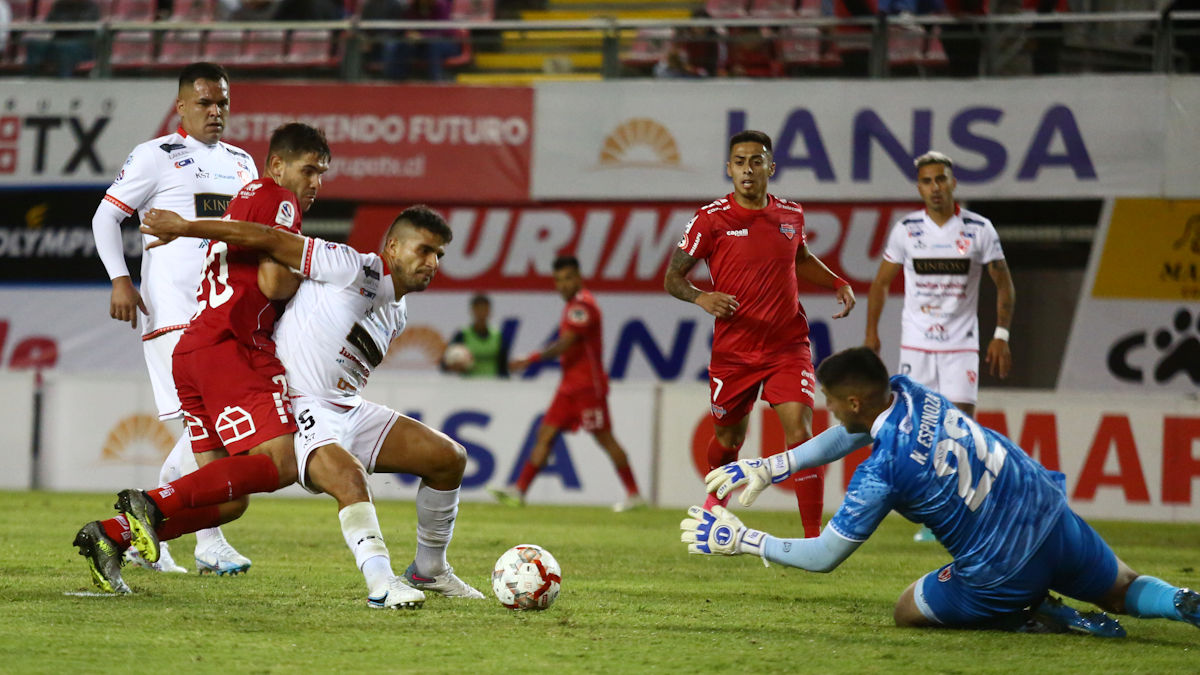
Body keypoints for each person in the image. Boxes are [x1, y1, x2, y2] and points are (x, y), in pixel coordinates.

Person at [682, 346, 1200, 637]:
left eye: (835, 402)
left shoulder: (883, 470)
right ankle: (1180, 601)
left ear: (857, 400)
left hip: (1004, 566)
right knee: (1125, 587)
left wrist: (742, 540)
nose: (830, 409)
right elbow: (855, 431)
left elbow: (823, 557)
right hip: (1047, 511)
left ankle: (1039, 616)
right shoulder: (914, 392)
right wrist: (774, 466)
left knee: (907, 608)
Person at [133, 205, 482, 607]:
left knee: (448, 457)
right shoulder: (351, 266)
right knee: (347, 479)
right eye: (423, 250)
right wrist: (186, 226)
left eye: (438, 255)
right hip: (297, 401)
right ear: (392, 247)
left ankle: (429, 569)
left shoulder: (397, 311)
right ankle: (382, 583)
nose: (432, 263)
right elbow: (269, 238)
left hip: (347, 407)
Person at [72, 122, 328, 595]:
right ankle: (150, 501)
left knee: (229, 500)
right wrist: (312, 277)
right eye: (308, 169)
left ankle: (112, 536)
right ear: (277, 166)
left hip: (194, 349)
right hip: (233, 349)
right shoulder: (280, 199)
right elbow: (273, 283)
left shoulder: (246, 193)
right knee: (282, 462)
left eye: (322, 173)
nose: (315, 182)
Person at [89, 62, 257, 576]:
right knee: (215, 431)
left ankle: (145, 534)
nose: (215, 111)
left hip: (224, 315)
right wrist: (120, 278)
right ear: (181, 105)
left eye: (222, 102)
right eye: (204, 102)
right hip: (174, 315)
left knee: (215, 433)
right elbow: (106, 216)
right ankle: (200, 537)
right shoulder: (155, 155)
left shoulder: (242, 162)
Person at [664, 129, 855, 538]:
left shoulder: (791, 214)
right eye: (739, 162)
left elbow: (799, 258)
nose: (747, 169)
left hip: (788, 345)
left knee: (801, 436)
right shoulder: (711, 219)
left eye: (756, 160)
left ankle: (813, 540)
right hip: (734, 352)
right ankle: (715, 506)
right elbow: (673, 277)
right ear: (728, 169)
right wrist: (702, 298)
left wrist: (836, 281)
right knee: (728, 438)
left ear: (771, 166)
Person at [863, 150, 1014, 541]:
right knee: (919, 432)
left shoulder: (979, 229)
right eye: (927, 181)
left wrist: (1001, 335)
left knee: (962, 430)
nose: (935, 187)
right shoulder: (907, 230)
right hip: (916, 345)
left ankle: (963, 512)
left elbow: (1004, 283)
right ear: (919, 187)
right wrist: (871, 334)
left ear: (953, 183)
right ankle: (934, 517)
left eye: (941, 179)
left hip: (961, 344)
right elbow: (880, 283)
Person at [490, 256, 646, 512]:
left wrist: (531, 359)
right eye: (558, 280)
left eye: (567, 279)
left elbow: (566, 342)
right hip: (568, 386)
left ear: (579, 278)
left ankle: (634, 495)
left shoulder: (583, 306)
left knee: (605, 439)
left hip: (587, 387)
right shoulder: (574, 305)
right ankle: (519, 491)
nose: (562, 285)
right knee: (546, 434)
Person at [441, 293, 511, 377]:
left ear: (489, 311)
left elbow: (503, 366)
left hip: (492, 385)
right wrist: (454, 365)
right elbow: (444, 364)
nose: (481, 313)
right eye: (478, 309)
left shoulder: (498, 336)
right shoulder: (462, 334)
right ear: (472, 311)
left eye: (485, 309)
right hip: (468, 386)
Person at [24, 0, 100, 78]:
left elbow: (82, 26)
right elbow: (49, 22)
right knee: (35, 44)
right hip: (58, 41)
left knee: (65, 47)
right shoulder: (59, 5)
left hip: (82, 45)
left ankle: (63, 81)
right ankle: (32, 78)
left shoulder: (90, 7)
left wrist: (64, 23)